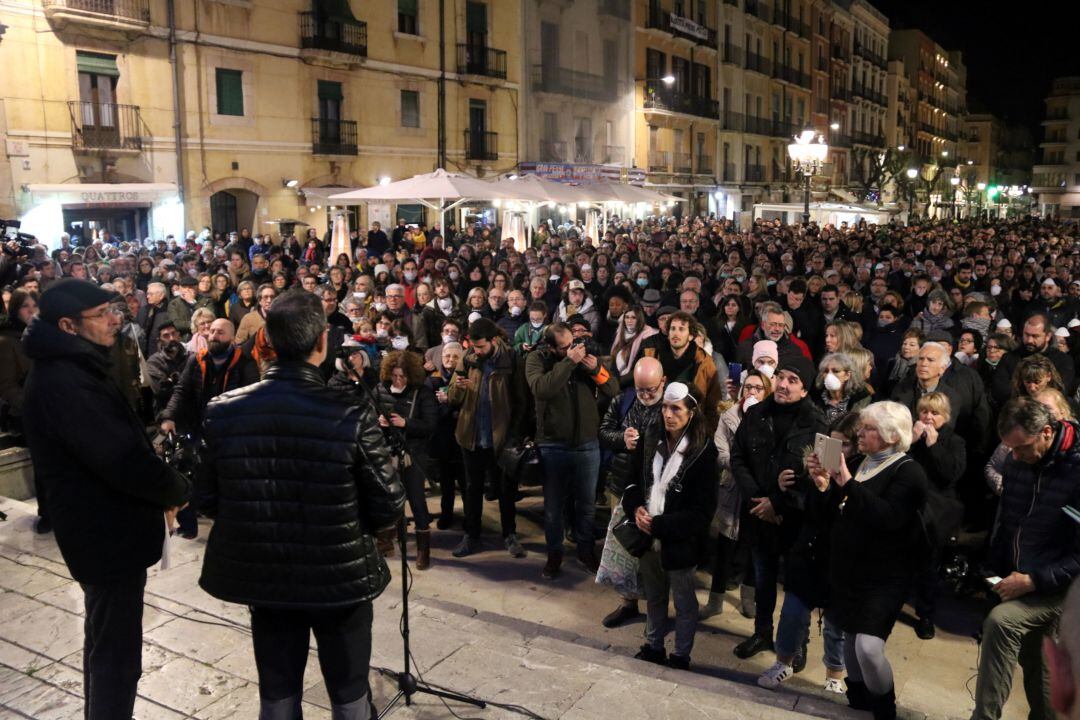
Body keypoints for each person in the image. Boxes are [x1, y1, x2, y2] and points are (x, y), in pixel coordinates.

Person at [198, 289, 405, 719]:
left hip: (266, 577)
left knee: (277, 693)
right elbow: (388, 504)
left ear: (269, 343)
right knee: (349, 693)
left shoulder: (223, 411)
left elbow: (207, 498)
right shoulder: (349, 411)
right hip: (339, 577)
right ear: (322, 342)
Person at [22, 279, 190, 720]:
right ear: (67, 325)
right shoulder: (66, 381)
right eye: (102, 314)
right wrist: (174, 489)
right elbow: (120, 458)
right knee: (116, 654)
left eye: (114, 309)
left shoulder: (72, 367)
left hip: (102, 530)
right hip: (104, 533)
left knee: (105, 641)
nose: (115, 319)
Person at [807, 401, 928, 719]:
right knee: (849, 637)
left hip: (885, 576)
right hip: (849, 570)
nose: (860, 433)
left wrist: (846, 482)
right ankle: (858, 702)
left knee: (868, 647)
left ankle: (884, 708)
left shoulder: (909, 472)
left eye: (869, 428)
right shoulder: (861, 461)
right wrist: (823, 485)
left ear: (890, 435)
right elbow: (833, 513)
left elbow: (887, 518)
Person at [970, 397, 1080, 720]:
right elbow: (1009, 525)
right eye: (1009, 449)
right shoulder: (1019, 462)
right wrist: (994, 570)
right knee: (1036, 655)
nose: (1014, 458)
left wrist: (1034, 580)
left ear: (1046, 432)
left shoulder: (1076, 473)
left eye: (1021, 449)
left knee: (1002, 623)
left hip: (1063, 587)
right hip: (1025, 576)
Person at [730, 355, 827, 661]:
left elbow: (822, 477)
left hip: (797, 520)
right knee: (763, 580)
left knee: (798, 587)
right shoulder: (757, 413)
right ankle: (762, 633)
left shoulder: (820, 423)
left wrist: (777, 501)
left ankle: (798, 644)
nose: (783, 385)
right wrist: (759, 499)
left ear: (805, 390)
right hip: (759, 514)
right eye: (781, 377)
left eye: (793, 381)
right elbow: (738, 457)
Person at [622, 382, 718, 670]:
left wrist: (661, 524)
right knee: (654, 596)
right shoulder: (652, 437)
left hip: (679, 541)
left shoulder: (702, 451)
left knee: (684, 603)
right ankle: (653, 646)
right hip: (648, 535)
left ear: (691, 413)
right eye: (665, 407)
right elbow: (631, 481)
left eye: (676, 408)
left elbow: (702, 512)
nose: (668, 414)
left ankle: (680, 655)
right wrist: (636, 508)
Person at [526, 321, 620, 578]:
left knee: (587, 505)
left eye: (573, 344)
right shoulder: (536, 359)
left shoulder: (583, 358)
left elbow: (612, 389)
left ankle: (586, 551)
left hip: (587, 443)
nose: (573, 349)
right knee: (554, 507)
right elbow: (542, 389)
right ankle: (554, 554)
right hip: (553, 444)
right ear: (551, 346)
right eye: (565, 347)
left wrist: (596, 369)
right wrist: (568, 362)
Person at [446, 318, 529, 559]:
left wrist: (514, 435)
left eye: (481, 346)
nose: (477, 351)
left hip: (501, 438)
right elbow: (452, 397)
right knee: (472, 489)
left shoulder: (511, 359)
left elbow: (521, 401)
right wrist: (459, 387)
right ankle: (472, 536)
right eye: (473, 346)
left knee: (505, 490)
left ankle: (509, 534)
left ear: (493, 341)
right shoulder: (468, 358)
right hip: (471, 436)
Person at [596, 356, 666, 628]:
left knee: (651, 554)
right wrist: (621, 438)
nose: (647, 395)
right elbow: (603, 432)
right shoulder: (622, 401)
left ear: (663, 381)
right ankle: (627, 603)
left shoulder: (671, 407)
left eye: (652, 389)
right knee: (625, 547)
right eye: (641, 390)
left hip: (657, 490)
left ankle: (656, 607)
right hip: (623, 484)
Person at [706, 368, 773, 620]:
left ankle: (748, 599)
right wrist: (742, 466)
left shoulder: (770, 419)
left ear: (766, 393)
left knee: (754, 547)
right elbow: (720, 451)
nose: (752, 391)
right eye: (748, 387)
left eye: (758, 388)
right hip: (732, 489)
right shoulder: (729, 416)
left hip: (757, 492)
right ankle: (715, 600)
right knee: (724, 547)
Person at [908, 392, 966, 640]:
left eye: (935, 413)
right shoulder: (911, 437)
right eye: (924, 412)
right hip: (908, 506)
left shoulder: (955, 442)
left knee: (928, 567)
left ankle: (926, 615)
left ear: (946, 417)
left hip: (936, 512)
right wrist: (908, 441)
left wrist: (933, 446)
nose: (929, 418)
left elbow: (950, 475)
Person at [374, 350, 438, 570]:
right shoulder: (380, 389)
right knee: (392, 500)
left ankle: (423, 550)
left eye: (402, 376)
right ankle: (394, 540)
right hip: (388, 452)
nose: (398, 380)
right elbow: (369, 418)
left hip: (414, 453)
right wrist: (378, 421)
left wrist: (406, 423)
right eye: (394, 375)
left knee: (417, 501)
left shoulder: (423, 393)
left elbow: (430, 425)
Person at [641, 310, 722, 432]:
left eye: (681, 329)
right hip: (657, 425)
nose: (676, 333)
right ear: (667, 334)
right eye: (672, 329)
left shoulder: (705, 363)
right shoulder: (652, 356)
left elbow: (713, 405)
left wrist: (705, 433)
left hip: (691, 428)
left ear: (690, 336)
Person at [813, 352, 873, 425]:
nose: (829, 375)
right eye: (826, 371)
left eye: (836, 371)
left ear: (847, 375)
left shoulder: (860, 398)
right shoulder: (815, 398)